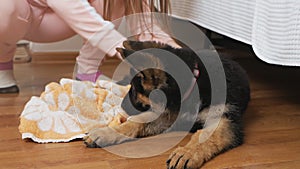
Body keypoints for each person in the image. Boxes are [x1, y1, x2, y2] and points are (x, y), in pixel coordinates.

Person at [0, 0, 180, 93]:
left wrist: (181, 57)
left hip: (57, 22)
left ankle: (87, 72)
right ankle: (3, 59)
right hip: (18, 12)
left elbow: (146, 27)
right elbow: (68, 4)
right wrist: (123, 48)